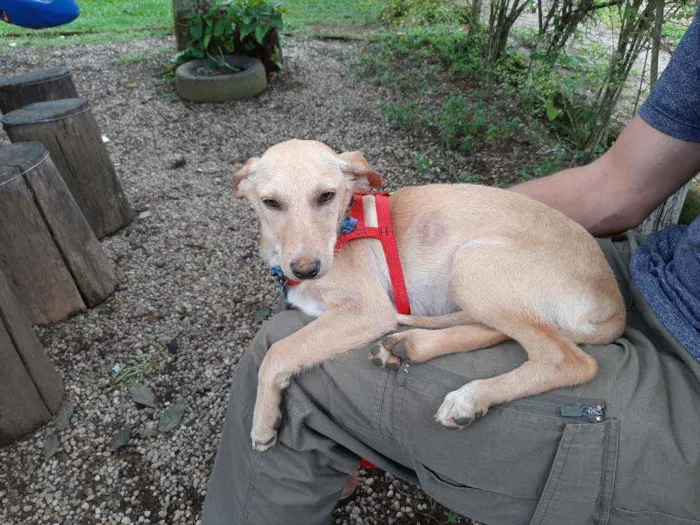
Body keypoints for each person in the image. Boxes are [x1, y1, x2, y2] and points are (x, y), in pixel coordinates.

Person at [202, 7, 700, 525]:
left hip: (658, 340)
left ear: (357, 182)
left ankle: (552, 358)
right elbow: (620, 186)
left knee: (282, 347)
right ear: (247, 192)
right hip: (647, 268)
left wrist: (278, 366)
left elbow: (370, 316)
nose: (303, 251)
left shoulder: (347, 203)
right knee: (435, 291)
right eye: (274, 205)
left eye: (326, 198)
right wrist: (456, 227)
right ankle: (447, 346)